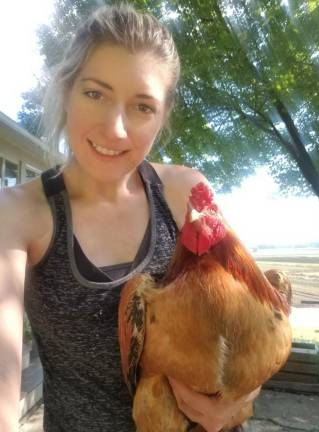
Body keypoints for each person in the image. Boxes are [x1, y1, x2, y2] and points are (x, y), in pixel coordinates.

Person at [0, 4, 260, 431]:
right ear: (67, 91)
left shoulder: (186, 193)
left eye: (142, 106)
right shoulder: (18, 214)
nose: (115, 128)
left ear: (163, 116)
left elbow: (252, 320)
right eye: (95, 94)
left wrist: (240, 399)